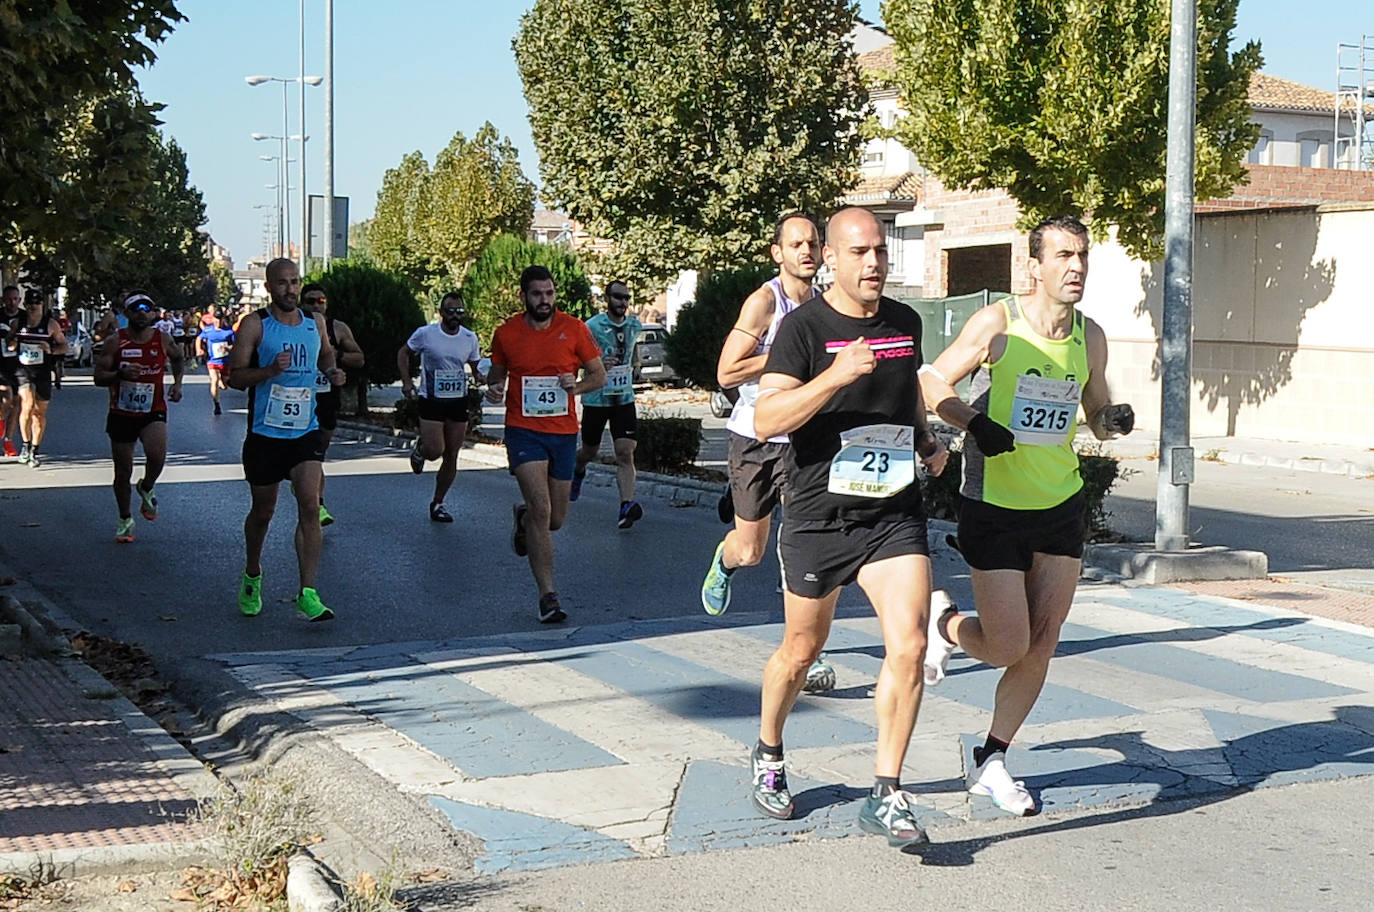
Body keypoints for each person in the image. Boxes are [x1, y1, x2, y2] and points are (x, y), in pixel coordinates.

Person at [919, 215, 1135, 817]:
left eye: (1083, 255)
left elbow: (1095, 410)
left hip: (1060, 503)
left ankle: (992, 758)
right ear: (1034, 267)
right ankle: (945, 625)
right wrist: (974, 422)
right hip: (994, 505)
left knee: (1042, 642)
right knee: (1007, 645)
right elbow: (931, 380)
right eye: (1064, 255)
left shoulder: (1090, 335)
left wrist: (1112, 419)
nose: (1077, 266)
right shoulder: (999, 323)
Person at [748, 207, 947, 848]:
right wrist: (834, 375)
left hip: (892, 512)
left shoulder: (905, 323)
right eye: (859, 252)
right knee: (800, 652)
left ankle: (886, 792)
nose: (873, 263)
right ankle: (768, 748)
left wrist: (924, 439)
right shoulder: (803, 328)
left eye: (880, 251)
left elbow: (905, 392)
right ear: (831, 258)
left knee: (909, 645)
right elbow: (767, 419)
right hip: (819, 515)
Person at [227, 258, 346, 622]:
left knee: (310, 505)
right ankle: (252, 572)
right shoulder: (255, 324)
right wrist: (269, 371)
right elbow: (235, 377)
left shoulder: (315, 323)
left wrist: (331, 370)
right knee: (263, 512)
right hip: (266, 434)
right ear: (269, 287)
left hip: (304, 431)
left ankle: (307, 592)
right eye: (282, 283)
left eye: (295, 282)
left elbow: (325, 353)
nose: (291, 289)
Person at [485, 266, 606, 624]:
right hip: (523, 431)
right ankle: (548, 596)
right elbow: (496, 375)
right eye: (537, 294)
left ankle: (523, 517)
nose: (544, 300)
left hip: (563, 433)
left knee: (554, 519)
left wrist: (577, 387)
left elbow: (598, 375)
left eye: (549, 293)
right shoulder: (507, 333)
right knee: (542, 509)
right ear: (523, 296)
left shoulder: (574, 329)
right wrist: (494, 388)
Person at [93, 291, 184, 542]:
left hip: (153, 410)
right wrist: (119, 374)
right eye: (136, 309)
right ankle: (125, 519)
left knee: (157, 456)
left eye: (148, 308)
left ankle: (146, 486)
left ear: (154, 313)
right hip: (122, 412)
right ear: (127, 313)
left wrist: (177, 384)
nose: (143, 313)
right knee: (123, 471)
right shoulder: (115, 341)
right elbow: (98, 377)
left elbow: (178, 358)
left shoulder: (162, 339)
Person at [399, 291, 484, 522]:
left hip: (458, 400)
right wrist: (407, 381)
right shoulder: (426, 334)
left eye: (459, 311)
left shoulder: (469, 337)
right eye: (450, 311)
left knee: (452, 453)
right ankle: (422, 449)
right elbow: (403, 353)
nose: (455, 315)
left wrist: (482, 375)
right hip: (432, 399)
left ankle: (438, 502)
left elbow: (475, 366)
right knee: (435, 450)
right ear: (441, 312)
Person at [570, 280, 645, 528]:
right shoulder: (591, 326)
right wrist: (597, 364)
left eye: (626, 297)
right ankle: (578, 469)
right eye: (618, 297)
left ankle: (626, 505)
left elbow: (633, 347)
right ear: (607, 299)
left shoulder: (634, 325)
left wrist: (636, 366)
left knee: (625, 452)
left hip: (623, 398)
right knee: (589, 451)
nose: (623, 302)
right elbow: (575, 358)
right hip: (597, 398)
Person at [300, 283, 364, 527]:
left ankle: (310, 492)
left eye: (321, 301)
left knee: (319, 451)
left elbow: (359, 358)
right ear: (302, 303)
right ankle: (317, 504)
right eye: (310, 301)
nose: (316, 305)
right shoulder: (292, 325)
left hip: (326, 397)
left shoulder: (337, 328)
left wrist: (337, 356)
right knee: (310, 454)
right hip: (299, 399)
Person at [9, 288, 67, 467]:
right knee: (27, 405)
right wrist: (13, 343)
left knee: (39, 412)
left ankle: (34, 449)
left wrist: (50, 350)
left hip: (42, 372)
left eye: (37, 303)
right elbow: (9, 343)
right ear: (25, 304)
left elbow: (64, 347)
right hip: (23, 371)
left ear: (42, 305)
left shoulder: (51, 325)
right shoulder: (18, 323)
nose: (34, 306)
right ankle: (25, 445)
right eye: (30, 303)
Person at [196, 311, 236, 415]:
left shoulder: (229, 331)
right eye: (216, 319)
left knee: (224, 385)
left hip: (225, 361)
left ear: (223, 319)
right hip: (212, 360)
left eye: (220, 319)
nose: (218, 322)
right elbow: (199, 338)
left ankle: (222, 381)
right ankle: (216, 404)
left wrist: (228, 348)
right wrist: (199, 349)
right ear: (213, 319)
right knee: (214, 380)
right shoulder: (208, 330)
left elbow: (236, 344)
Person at [0, 285, 22, 457]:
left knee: (16, 402)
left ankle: (8, 440)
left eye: (15, 299)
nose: (12, 303)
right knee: (6, 398)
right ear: (3, 300)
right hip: (1, 364)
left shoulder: (24, 317)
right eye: (9, 299)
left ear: (19, 300)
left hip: (19, 365)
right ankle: (1, 421)